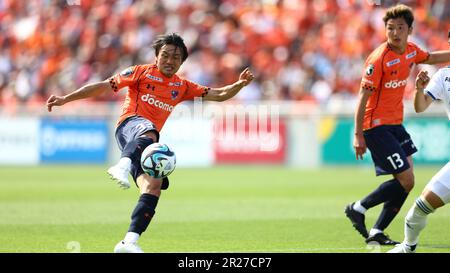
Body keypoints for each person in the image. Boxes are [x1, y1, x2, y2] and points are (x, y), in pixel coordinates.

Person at [46, 33, 254, 253]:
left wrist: (239, 85)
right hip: (129, 126)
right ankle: (122, 166)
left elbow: (219, 94)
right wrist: (65, 99)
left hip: (144, 144)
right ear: (156, 56)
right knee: (150, 131)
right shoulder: (140, 72)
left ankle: (128, 242)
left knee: (153, 186)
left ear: (182, 62)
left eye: (176, 57)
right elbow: (103, 87)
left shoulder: (182, 86)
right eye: (165, 55)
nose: (169, 60)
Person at [344, 4, 450, 245]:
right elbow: (363, 97)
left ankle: (376, 231)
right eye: (389, 28)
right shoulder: (378, 59)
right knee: (406, 180)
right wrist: (358, 134)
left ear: (410, 29)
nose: (394, 33)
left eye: (399, 28)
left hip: (395, 124)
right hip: (376, 126)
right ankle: (359, 208)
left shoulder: (411, 51)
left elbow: (431, 57)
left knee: (408, 181)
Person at [387, 64, 450, 253]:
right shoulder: (444, 76)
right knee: (417, 212)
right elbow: (420, 106)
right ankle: (408, 247)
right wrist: (419, 89)